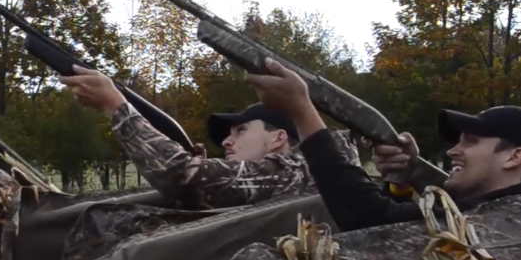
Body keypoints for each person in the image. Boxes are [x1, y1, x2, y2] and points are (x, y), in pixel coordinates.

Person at [244, 58, 521, 231]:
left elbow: (370, 219)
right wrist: (403, 176)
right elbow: (405, 214)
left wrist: (302, 110)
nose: (453, 150)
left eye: (473, 141)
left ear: (515, 157)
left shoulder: (512, 221)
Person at [59, 65, 360, 209]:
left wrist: (115, 105)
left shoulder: (295, 171)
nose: (227, 142)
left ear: (278, 138)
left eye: (241, 130)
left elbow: (182, 176)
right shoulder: (290, 181)